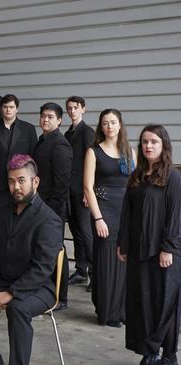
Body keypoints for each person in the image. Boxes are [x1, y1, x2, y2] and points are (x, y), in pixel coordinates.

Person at [0, 154, 62, 365]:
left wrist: (12, 293)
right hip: (6, 278)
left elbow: (42, 269)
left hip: (40, 287)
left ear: (35, 182)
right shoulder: (4, 210)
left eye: (21, 180)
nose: (16, 187)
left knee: (17, 308)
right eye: (11, 181)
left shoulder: (49, 220)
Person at [118, 125, 181, 365]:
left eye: (154, 141)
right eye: (144, 141)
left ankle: (163, 353)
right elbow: (127, 212)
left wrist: (168, 248)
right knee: (142, 302)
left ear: (163, 144)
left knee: (164, 303)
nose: (148, 146)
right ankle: (154, 352)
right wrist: (122, 243)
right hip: (138, 252)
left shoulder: (172, 176)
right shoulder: (136, 176)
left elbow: (176, 215)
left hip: (164, 252)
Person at [83, 108, 135, 327]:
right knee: (106, 263)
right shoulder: (93, 152)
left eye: (113, 122)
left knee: (125, 262)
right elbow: (87, 187)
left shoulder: (130, 151)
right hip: (104, 212)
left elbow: (136, 184)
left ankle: (123, 310)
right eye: (105, 123)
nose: (109, 126)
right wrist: (98, 218)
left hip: (127, 211)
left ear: (120, 125)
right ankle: (107, 312)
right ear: (101, 127)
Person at [32, 102, 72, 311]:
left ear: (59, 120)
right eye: (43, 116)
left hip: (53, 210)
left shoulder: (60, 144)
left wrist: (50, 212)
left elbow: (62, 184)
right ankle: (46, 291)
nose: (45, 120)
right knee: (44, 250)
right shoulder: (42, 140)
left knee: (57, 251)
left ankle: (61, 297)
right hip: (41, 207)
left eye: (50, 117)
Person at [0, 94, 37, 219]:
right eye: (5, 107)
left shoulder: (28, 129)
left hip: (21, 184)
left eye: (11, 107)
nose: (8, 110)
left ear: (17, 109)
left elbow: (33, 158)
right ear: (1, 108)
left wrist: (32, 182)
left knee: (19, 221)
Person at [64, 96, 95, 289]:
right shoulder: (68, 133)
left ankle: (95, 273)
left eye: (76, 107)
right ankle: (81, 270)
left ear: (83, 109)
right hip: (69, 190)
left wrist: (87, 191)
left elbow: (91, 163)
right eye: (69, 108)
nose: (72, 111)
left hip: (82, 189)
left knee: (85, 231)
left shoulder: (87, 132)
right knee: (75, 231)